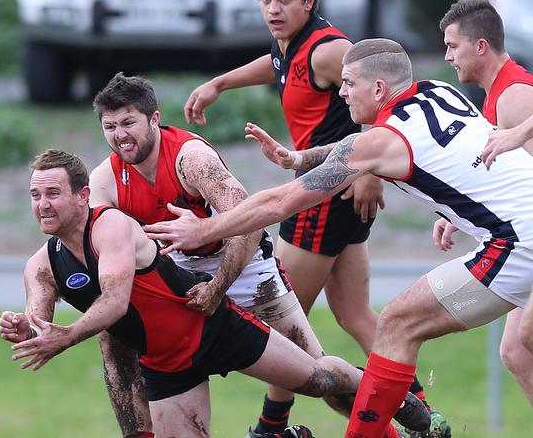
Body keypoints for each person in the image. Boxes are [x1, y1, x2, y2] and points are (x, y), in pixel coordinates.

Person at [144, 38, 533, 437]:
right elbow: (369, 150)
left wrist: (204, 228)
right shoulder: (439, 91)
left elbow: (280, 203)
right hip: (521, 228)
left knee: (398, 323)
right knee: (514, 348)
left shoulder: (383, 140)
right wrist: (299, 158)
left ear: (379, 89)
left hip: (520, 244)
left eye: (348, 83)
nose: (341, 92)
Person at [182, 0, 447, 434]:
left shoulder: (329, 50)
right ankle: (423, 417)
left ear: (310, 0)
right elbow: (278, 65)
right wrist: (219, 83)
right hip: (333, 194)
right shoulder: (292, 44)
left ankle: (272, 426)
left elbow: (384, 87)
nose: (273, 9)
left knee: (285, 320)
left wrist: (371, 173)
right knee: (352, 314)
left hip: (322, 197)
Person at [0, 148, 428, 438]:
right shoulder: (41, 264)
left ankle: (388, 392)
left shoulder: (108, 225)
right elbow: (40, 322)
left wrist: (66, 336)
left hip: (213, 326)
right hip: (167, 365)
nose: (43, 204)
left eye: (53, 193)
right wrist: (25, 328)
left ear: (82, 195)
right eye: (35, 195)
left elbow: (115, 301)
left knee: (318, 380)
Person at [88, 72, 348, 436]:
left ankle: (393, 411)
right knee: (115, 337)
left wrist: (218, 286)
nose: (120, 135)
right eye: (110, 126)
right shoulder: (105, 179)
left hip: (243, 268)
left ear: (154, 119)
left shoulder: (190, 158)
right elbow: (91, 244)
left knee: (319, 376)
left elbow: (250, 222)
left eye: (129, 122)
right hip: (178, 277)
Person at [439, 0, 533, 405]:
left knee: (528, 334)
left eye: (452, 46)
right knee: (515, 349)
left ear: (480, 46)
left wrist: (521, 131)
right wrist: (461, 215)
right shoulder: (494, 96)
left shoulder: (514, 95)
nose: (446, 57)